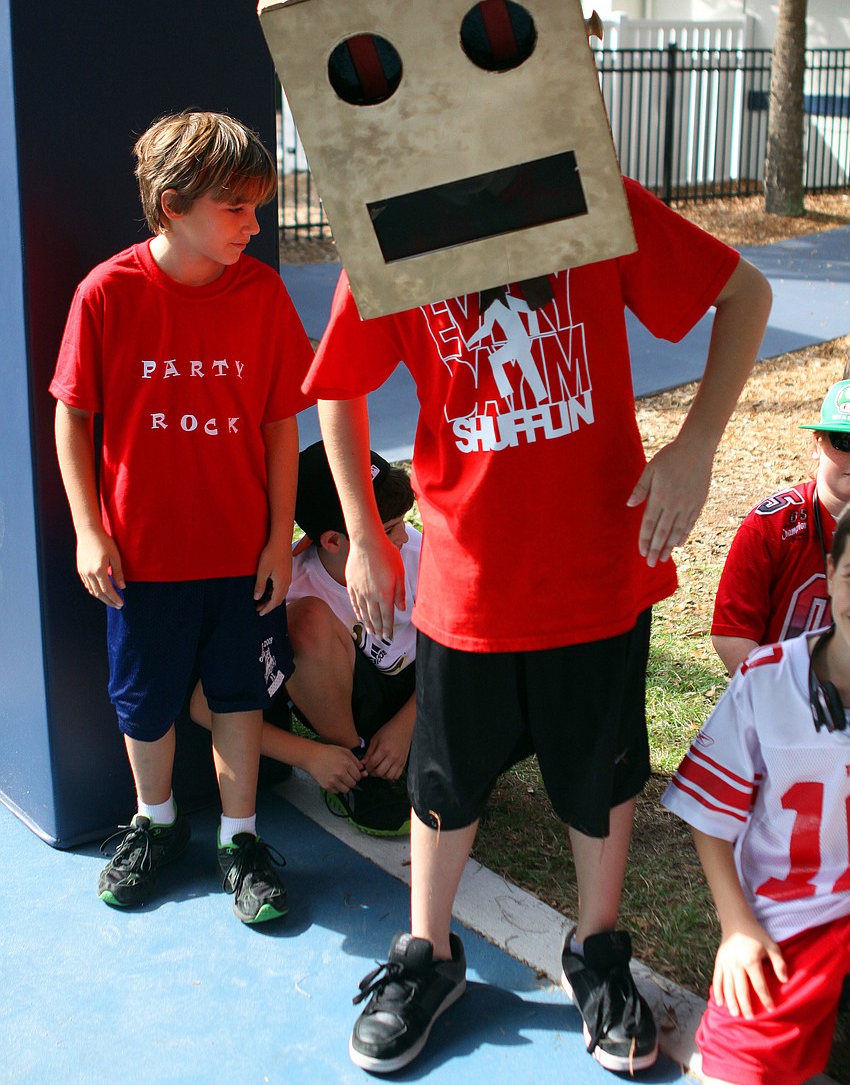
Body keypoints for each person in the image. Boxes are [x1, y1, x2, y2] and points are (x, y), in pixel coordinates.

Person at [302, 176, 772, 1074]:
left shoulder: (589, 195)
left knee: (599, 773)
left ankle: (597, 952)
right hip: (468, 582)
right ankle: (428, 952)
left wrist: (700, 441)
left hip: (595, 573)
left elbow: (746, 293)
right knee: (444, 780)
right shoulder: (396, 225)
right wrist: (364, 533)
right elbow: (339, 383)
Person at [49, 110, 314, 924]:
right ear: (173, 203)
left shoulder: (262, 292)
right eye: (236, 207)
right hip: (142, 558)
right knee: (144, 702)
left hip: (241, 555)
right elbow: (73, 415)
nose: (254, 224)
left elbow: (280, 423)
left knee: (239, 698)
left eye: (257, 206)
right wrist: (91, 529)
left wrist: (278, 535)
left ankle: (240, 838)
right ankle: (156, 824)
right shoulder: (107, 292)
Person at [663, 500, 850, 1085]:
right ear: (829, 571)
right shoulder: (768, 681)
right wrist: (738, 926)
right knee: (737, 1069)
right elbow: (711, 816)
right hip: (802, 912)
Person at [190, 438, 420, 838]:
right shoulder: (293, 585)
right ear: (331, 541)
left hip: (428, 694)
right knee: (305, 622)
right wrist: (311, 756)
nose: (403, 537)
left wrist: (409, 725)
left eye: (403, 521)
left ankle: (426, 759)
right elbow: (206, 705)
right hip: (356, 710)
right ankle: (358, 770)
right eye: (387, 530)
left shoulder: (419, 554)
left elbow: (466, 654)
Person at [712, 379, 850, 675]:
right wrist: (780, 697)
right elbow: (732, 634)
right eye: (845, 442)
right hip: (780, 695)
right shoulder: (770, 525)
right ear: (817, 443)